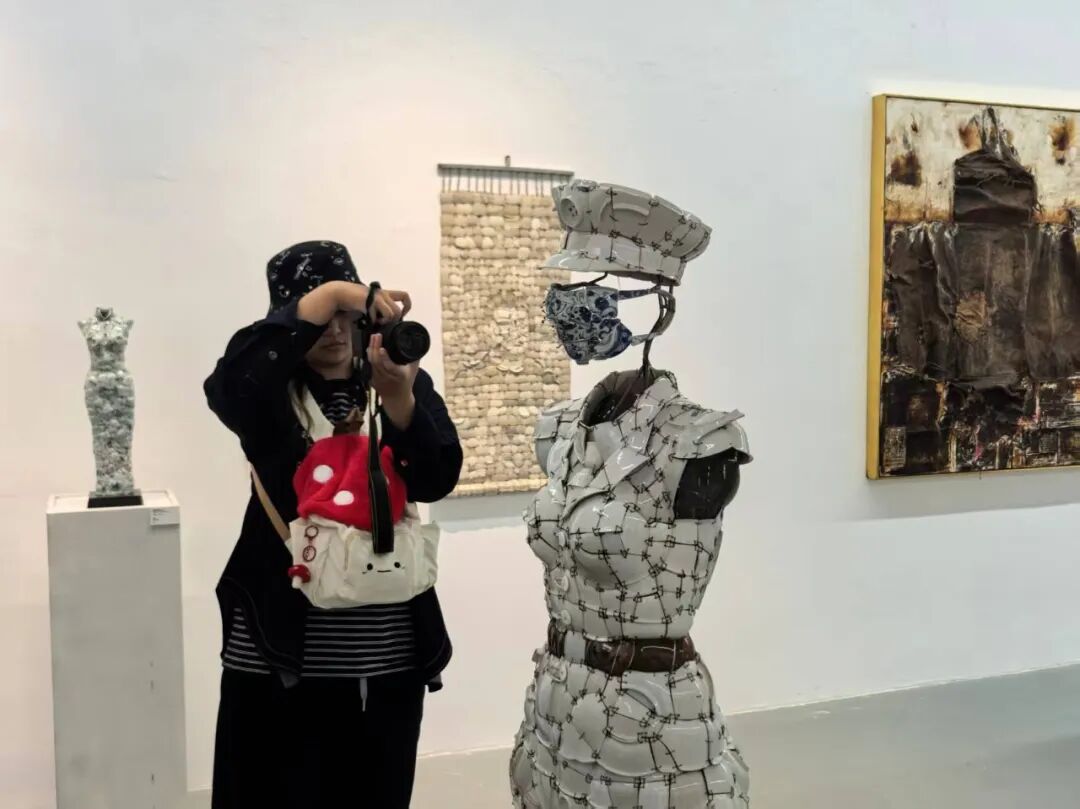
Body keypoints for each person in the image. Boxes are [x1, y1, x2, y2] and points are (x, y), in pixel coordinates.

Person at [204, 240, 462, 808]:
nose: (337, 329)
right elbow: (227, 388)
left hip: (388, 652)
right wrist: (335, 294)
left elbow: (436, 478)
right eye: (323, 315)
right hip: (281, 651)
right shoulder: (268, 392)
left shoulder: (399, 380)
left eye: (349, 315)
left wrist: (400, 402)